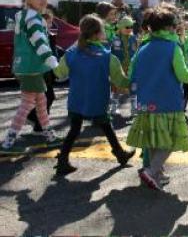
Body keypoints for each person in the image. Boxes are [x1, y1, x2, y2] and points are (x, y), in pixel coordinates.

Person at [126, 8, 188, 191]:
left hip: (145, 103)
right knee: (169, 141)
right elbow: (184, 75)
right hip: (168, 102)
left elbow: (131, 74)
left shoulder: (143, 47)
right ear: (169, 28)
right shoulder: (172, 48)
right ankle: (151, 171)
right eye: (175, 25)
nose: (177, 28)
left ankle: (156, 173)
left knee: (153, 140)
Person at [53, 14, 135, 175]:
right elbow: (121, 81)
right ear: (98, 33)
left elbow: (59, 73)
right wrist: (136, 79)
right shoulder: (107, 57)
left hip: (76, 100)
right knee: (106, 126)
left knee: (74, 130)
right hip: (97, 101)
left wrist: (50, 59)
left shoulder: (71, 53)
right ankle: (120, 154)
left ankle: (63, 159)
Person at [1, 0, 61, 154]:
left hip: (27, 66)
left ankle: (49, 136)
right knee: (27, 104)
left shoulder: (24, 16)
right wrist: (53, 62)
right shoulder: (33, 19)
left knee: (41, 102)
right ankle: (7, 143)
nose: (44, 0)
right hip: (31, 67)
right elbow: (39, 42)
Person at [26, 10, 57, 135]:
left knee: (46, 97)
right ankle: (37, 123)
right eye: (48, 22)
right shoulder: (39, 35)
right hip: (41, 71)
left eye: (50, 22)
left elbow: (53, 50)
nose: (50, 24)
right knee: (47, 97)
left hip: (48, 71)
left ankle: (37, 121)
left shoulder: (48, 34)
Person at [110, 16, 138, 116]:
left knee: (133, 87)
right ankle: (113, 108)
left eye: (131, 26)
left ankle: (134, 108)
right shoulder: (114, 39)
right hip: (118, 68)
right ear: (120, 27)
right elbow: (111, 53)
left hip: (131, 67)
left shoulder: (134, 38)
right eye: (127, 27)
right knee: (116, 88)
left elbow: (137, 51)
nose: (129, 29)